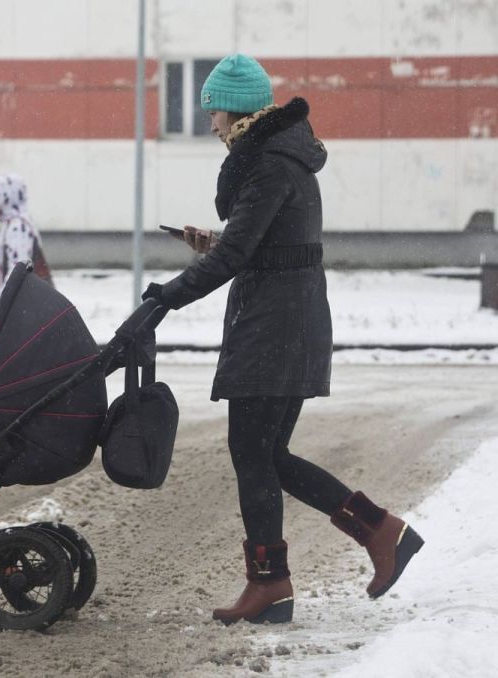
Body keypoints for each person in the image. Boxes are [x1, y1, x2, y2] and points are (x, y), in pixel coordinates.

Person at [142, 54, 424, 625]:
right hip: (286, 317)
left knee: (254, 453)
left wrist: (166, 296)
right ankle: (369, 536)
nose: (212, 123)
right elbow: (264, 242)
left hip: (275, 325)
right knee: (266, 453)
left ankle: (290, 574)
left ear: (234, 108)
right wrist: (217, 244)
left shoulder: (268, 161)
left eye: (213, 110)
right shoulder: (280, 155)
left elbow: (241, 253)